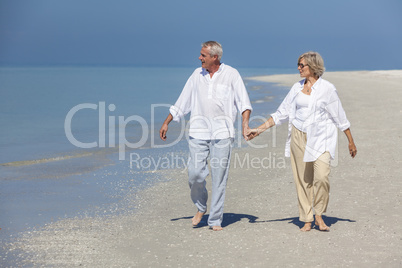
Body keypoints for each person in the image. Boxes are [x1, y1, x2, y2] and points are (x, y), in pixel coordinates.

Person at [247, 51, 357, 232]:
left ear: (313, 67)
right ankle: (307, 218)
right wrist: (258, 130)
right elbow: (281, 112)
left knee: (322, 177)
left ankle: (319, 214)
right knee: (303, 180)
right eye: (298, 65)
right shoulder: (296, 88)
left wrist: (350, 141)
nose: (298, 68)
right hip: (298, 136)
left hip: (321, 138)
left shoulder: (327, 89)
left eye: (301, 65)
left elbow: (340, 116)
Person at [159, 41, 252, 231]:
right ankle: (201, 206)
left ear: (215, 57)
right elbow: (182, 101)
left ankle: (215, 219)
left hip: (223, 134)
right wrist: (167, 121)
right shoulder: (196, 75)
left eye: (203, 55)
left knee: (219, 178)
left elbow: (244, 103)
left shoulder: (231, 74)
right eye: (201, 55)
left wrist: (245, 126)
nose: (199, 58)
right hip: (198, 132)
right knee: (194, 174)